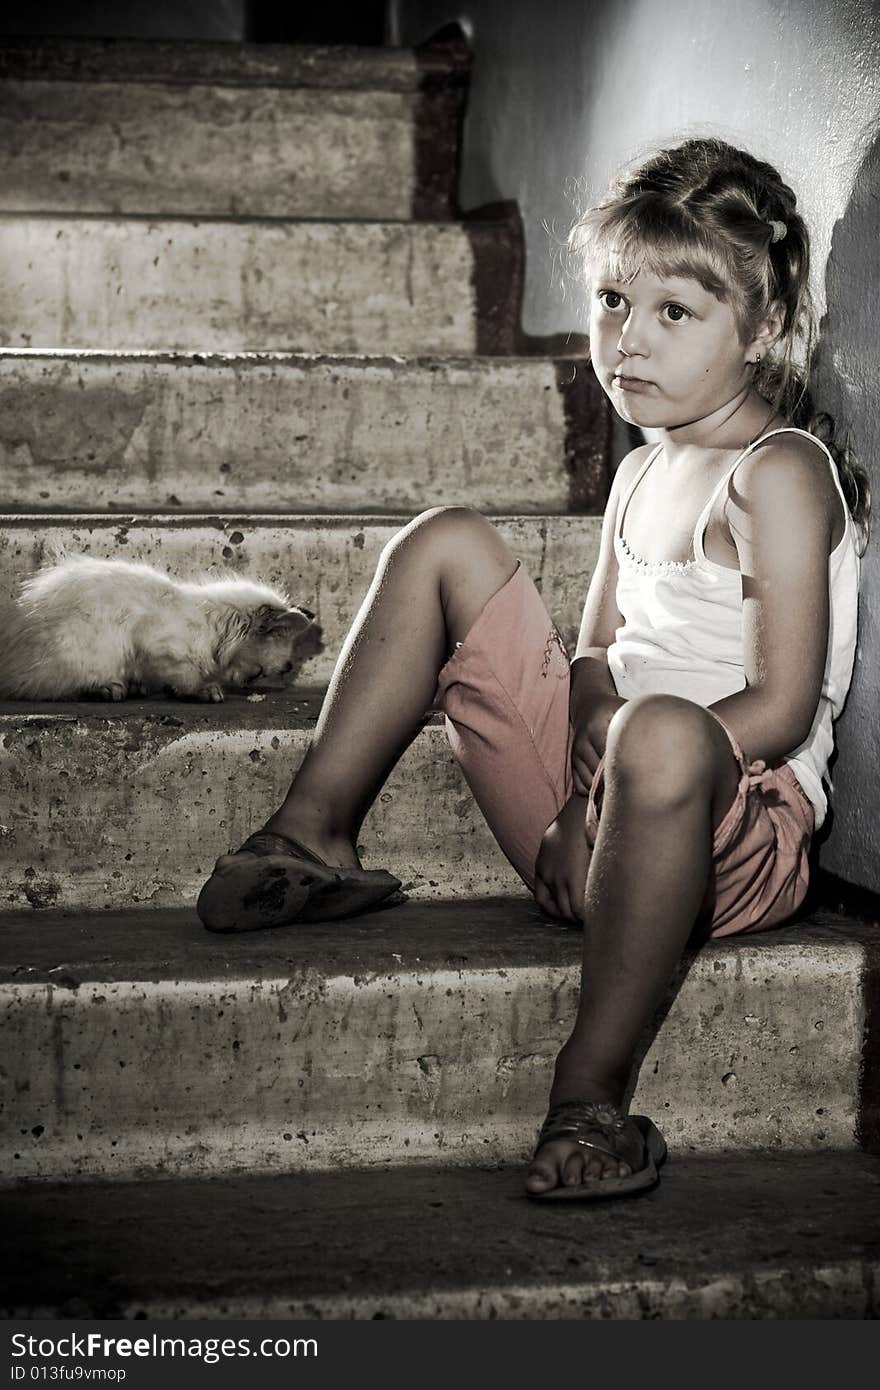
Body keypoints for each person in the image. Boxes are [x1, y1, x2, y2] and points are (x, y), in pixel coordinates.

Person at [196, 137, 867, 1202]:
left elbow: (779, 708)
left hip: (737, 828)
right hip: (591, 813)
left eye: (673, 313)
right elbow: (595, 653)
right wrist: (573, 800)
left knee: (663, 728)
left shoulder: (777, 471)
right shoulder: (644, 467)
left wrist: (612, 776)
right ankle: (310, 833)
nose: (625, 342)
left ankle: (590, 1090)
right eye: (611, 302)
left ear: (766, 326)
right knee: (444, 540)